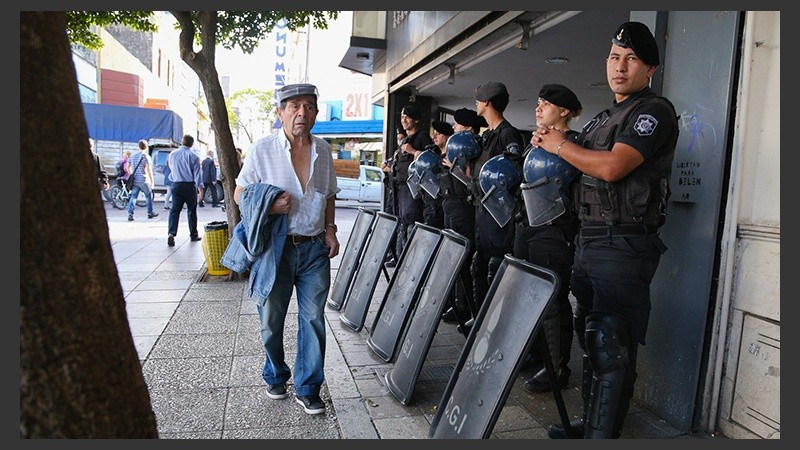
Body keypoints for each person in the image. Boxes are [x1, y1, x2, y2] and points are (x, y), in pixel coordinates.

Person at [535, 22, 679, 439]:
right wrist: (557, 138)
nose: (621, 66)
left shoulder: (653, 111)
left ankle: (603, 434)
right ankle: (593, 422)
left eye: (632, 59)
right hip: (592, 238)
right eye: (615, 57)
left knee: (609, 342)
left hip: (624, 239)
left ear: (650, 67)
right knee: (590, 335)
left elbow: (614, 167)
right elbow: (580, 163)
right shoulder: (605, 116)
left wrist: (559, 145)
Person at [233, 83, 340, 415]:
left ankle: (308, 387)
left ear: (316, 114)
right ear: (280, 112)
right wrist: (268, 206)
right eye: (293, 106)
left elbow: (329, 194)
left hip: (313, 249)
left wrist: (331, 229)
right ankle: (275, 373)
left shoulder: (323, 150)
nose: (301, 113)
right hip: (275, 248)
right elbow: (239, 193)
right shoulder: (262, 149)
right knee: (271, 320)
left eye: (308, 106)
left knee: (313, 319)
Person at [514, 84, 583, 394]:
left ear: (564, 111)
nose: (538, 108)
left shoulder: (575, 145)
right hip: (530, 224)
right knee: (530, 295)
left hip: (556, 229)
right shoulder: (535, 145)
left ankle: (556, 367)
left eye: (546, 104)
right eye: (537, 103)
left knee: (554, 300)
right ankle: (537, 355)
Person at [471, 81, 524, 313]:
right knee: (479, 267)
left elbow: (513, 175)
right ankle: (482, 316)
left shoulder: (507, 134)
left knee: (494, 269)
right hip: (482, 212)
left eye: (478, 99)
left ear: (487, 103)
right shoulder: (489, 135)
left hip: (498, 217)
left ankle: (494, 319)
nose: (476, 103)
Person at [439, 109, 485, 326]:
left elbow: (473, 180)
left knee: (465, 260)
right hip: (452, 206)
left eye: (457, 125)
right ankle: (459, 304)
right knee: (455, 260)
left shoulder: (472, 148)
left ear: (467, 128)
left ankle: (466, 308)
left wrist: (455, 168)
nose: (454, 128)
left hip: (463, 209)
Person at [392, 105, 432, 263]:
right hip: (401, 188)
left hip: (414, 188)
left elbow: (430, 161)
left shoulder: (422, 137)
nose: (404, 120)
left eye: (407, 117)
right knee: (403, 222)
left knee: (412, 223)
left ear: (416, 119)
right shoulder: (405, 139)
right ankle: (401, 259)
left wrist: (414, 151)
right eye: (402, 117)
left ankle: (411, 261)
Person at [166, 134, 202, 246]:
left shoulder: (172, 154)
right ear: (191, 144)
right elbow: (197, 175)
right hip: (189, 185)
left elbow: (171, 168)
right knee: (191, 211)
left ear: (182, 142)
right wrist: (200, 188)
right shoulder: (194, 156)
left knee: (174, 210)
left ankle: (171, 233)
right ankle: (193, 234)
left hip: (176, 184)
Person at [126, 139, 158, 221]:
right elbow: (148, 170)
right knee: (148, 196)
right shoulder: (147, 157)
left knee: (133, 197)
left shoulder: (132, 156)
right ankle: (150, 213)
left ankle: (130, 214)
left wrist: (131, 175)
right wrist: (152, 182)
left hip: (135, 180)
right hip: (144, 180)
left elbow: (127, 167)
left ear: (138, 147)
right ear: (146, 147)